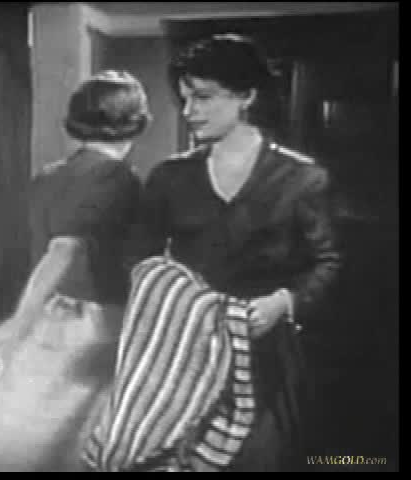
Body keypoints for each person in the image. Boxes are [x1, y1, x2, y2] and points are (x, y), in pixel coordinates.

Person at [136, 34, 341, 471]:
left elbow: (328, 262)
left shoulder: (301, 178)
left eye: (203, 97)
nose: (189, 111)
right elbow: (140, 262)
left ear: (247, 96)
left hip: (267, 358)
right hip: (187, 356)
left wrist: (283, 302)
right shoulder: (169, 178)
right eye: (185, 98)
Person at [0, 70, 151, 471]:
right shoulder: (118, 178)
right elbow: (63, 250)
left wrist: (23, 324)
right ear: (135, 121)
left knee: (19, 438)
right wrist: (15, 324)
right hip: (98, 326)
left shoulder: (50, 177)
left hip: (52, 318)